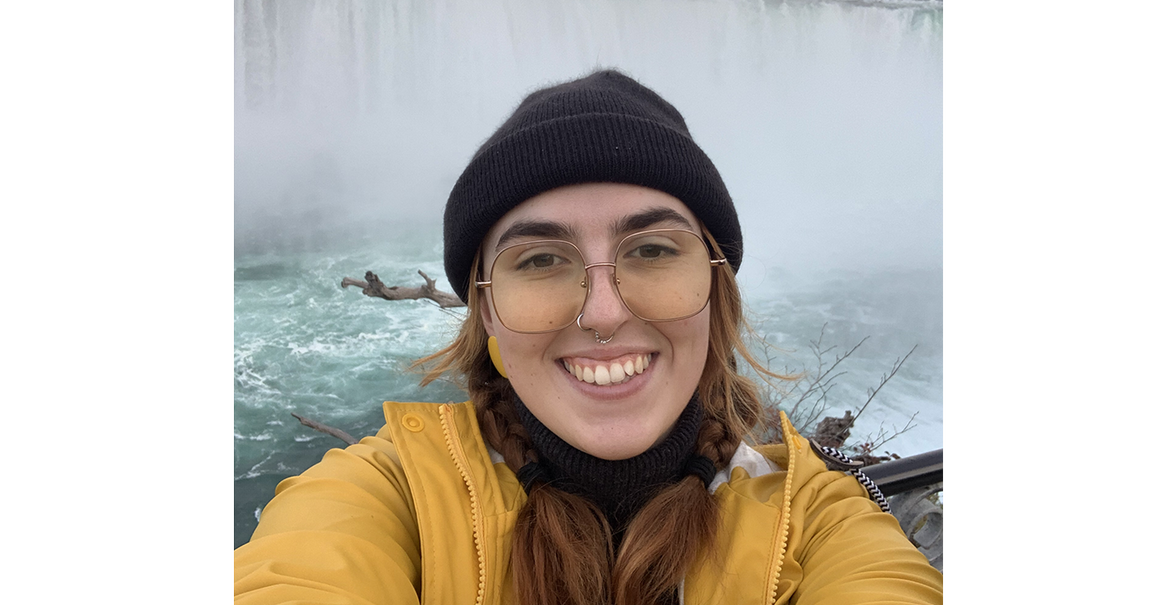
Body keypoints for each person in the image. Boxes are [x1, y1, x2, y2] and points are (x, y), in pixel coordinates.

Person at [234, 70, 944, 604]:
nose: (603, 313)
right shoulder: (387, 498)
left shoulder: (816, 522)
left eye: (654, 251)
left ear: (716, 291)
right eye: (540, 261)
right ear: (484, 312)